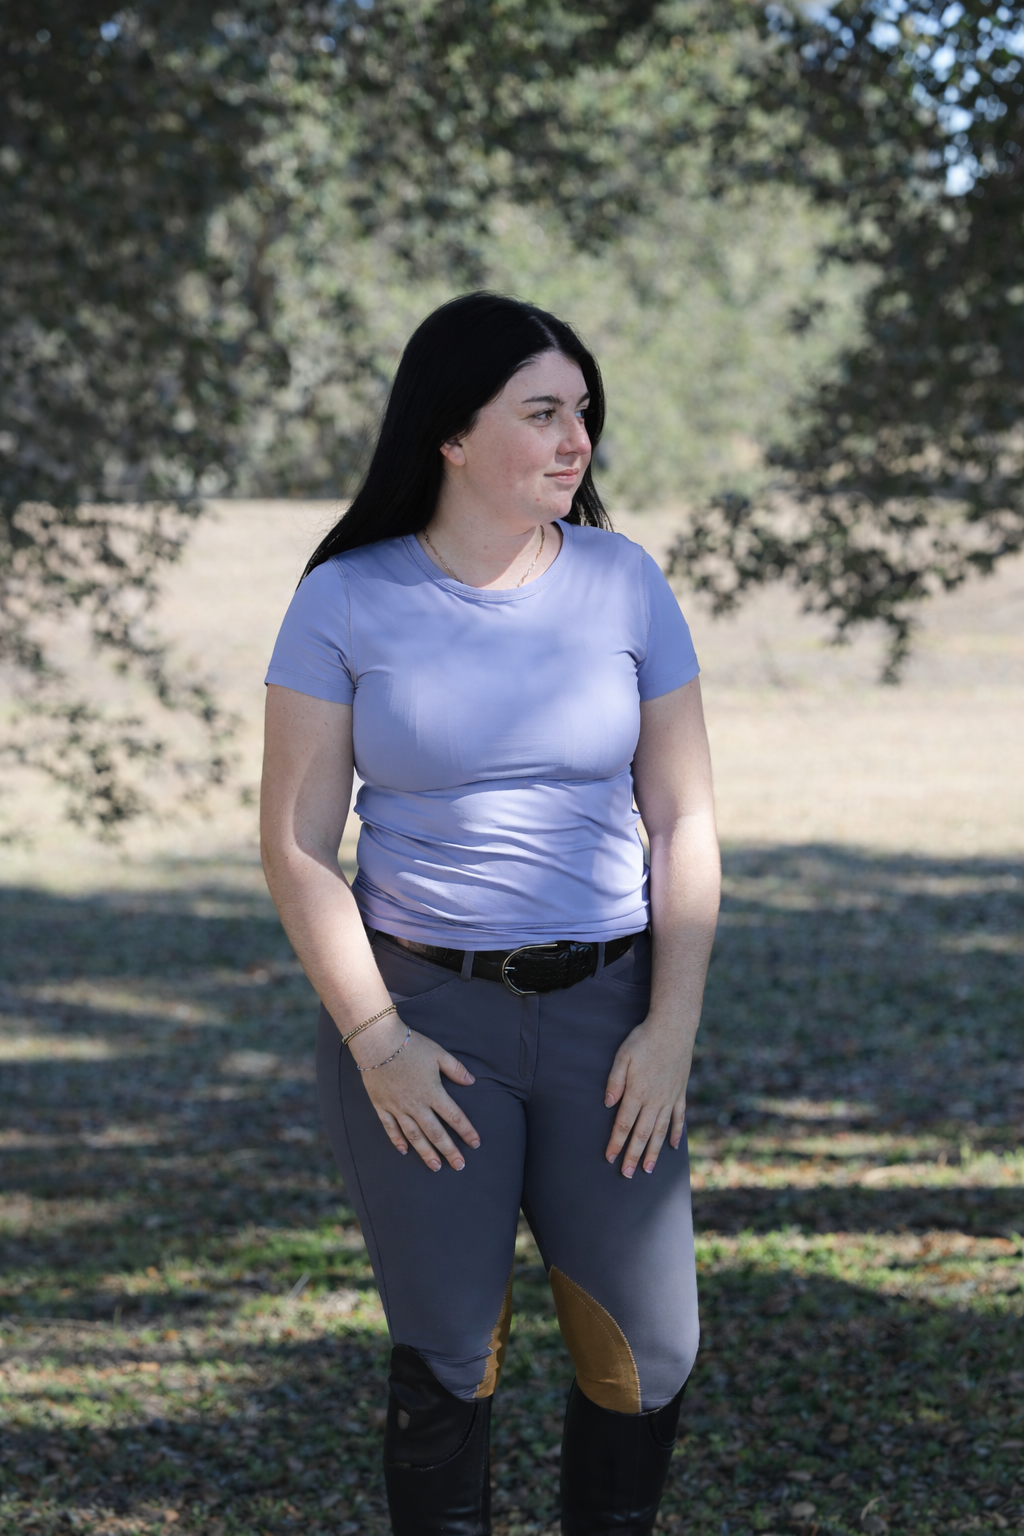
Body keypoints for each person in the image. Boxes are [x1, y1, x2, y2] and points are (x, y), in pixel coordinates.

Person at [260, 292, 720, 1536]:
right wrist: (378, 1043)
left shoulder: (627, 585)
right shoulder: (346, 599)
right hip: (419, 1022)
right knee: (450, 1356)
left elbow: (682, 824)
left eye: (583, 414)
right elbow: (298, 849)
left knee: (649, 1355)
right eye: (542, 414)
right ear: (451, 437)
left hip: (612, 1020)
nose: (576, 440)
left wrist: (670, 1024)